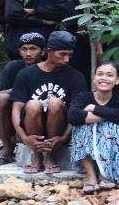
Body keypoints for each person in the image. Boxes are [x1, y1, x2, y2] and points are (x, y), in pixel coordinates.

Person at [10, 31, 86, 174]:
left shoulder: (76, 77)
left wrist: (64, 138)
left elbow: (76, 111)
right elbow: (16, 109)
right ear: (49, 51)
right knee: (33, 104)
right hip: (32, 127)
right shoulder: (26, 74)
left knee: (55, 103)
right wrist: (25, 137)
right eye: (62, 54)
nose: (67, 59)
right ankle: (37, 156)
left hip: (59, 129)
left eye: (69, 55)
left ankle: (51, 155)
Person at [68, 61, 119, 192]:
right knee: (83, 128)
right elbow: (73, 116)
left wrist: (94, 109)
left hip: (114, 150)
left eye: (109, 75)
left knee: (110, 128)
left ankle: (105, 175)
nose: (104, 78)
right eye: (100, 74)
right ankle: (91, 176)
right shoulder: (83, 96)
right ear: (94, 77)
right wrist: (110, 114)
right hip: (87, 145)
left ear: (117, 80)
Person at [0, 32, 46, 166]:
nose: (28, 53)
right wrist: (16, 90)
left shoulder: (48, 68)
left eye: (33, 49)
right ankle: (7, 149)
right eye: (24, 49)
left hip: (42, 116)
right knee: (2, 98)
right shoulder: (14, 67)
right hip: (16, 116)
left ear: (43, 52)